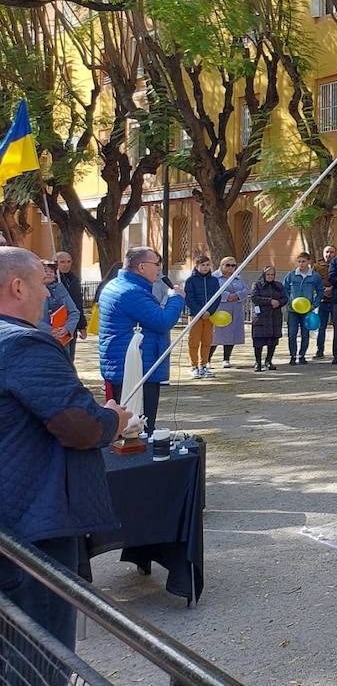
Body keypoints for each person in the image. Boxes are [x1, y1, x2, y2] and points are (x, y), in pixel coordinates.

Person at [0, 247, 129, 650]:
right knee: (40, 650)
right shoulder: (25, 344)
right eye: (42, 284)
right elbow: (80, 426)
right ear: (18, 287)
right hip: (31, 522)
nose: (48, 295)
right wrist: (113, 419)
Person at [97, 247, 185, 433]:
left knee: (130, 426)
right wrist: (176, 299)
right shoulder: (130, 292)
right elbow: (162, 321)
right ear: (142, 267)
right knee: (137, 426)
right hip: (135, 370)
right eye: (156, 264)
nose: (159, 270)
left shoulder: (118, 285)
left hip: (130, 365)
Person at [282, 251, 323, 366]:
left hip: (307, 310)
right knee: (292, 333)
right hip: (293, 310)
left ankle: (302, 355)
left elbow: (320, 291)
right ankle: (293, 355)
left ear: (309, 262)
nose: (301, 264)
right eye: (299, 262)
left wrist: (314, 304)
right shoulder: (291, 275)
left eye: (304, 261)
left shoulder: (314, 276)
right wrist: (289, 302)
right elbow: (284, 289)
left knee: (305, 333)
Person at [183, 254, 220, 379]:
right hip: (195, 315)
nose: (205, 267)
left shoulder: (214, 280)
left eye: (207, 265)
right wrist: (200, 311)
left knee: (207, 341)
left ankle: (204, 365)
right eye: (203, 265)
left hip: (209, 316)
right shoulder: (191, 281)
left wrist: (210, 311)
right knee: (194, 341)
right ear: (197, 266)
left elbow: (217, 297)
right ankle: (194, 366)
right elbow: (189, 298)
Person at [211, 256, 247, 368]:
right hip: (220, 310)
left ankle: (226, 359)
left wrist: (237, 295)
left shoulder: (238, 278)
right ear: (221, 265)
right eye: (228, 265)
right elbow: (213, 290)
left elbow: (246, 290)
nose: (231, 267)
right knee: (216, 336)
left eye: (233, 265)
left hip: (235, 309)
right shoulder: (214, 278)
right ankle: (207, 359)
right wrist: (227, 296)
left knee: (231, 335)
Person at [249, 265, 285, 372]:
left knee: (273, 341)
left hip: (275, 316)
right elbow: (254, 298)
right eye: (268, 274)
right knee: (258, 341)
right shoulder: (257, 285)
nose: (270, 276)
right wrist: (270, 301)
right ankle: (258, 362)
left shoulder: (278, 285)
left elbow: (285, 298)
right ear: (264, 275)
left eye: (272, 274)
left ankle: (268, 361)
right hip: (261, 318)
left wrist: (279, 302)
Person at [54, 251, 87, 363]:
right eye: (62, 262)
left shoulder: (74, 279)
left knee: (70, 357)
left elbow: (78, 303)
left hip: (72, 323)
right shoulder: (53, 281)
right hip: (57, 323)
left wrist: (82, 326)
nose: (66, 264)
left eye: (68, 262)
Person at [42, 258, 80, 355]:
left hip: (62, 341)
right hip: (41, 340)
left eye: (51, 271)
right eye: (45, 271)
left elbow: (74, 312)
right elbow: (29, 316)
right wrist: (50, 331)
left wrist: (67, 328)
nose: (49, 273)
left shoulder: (60, 289)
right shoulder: (32, 292)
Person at [314, 244, 336, 359]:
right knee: (321, 327)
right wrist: (323, 290)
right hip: (322, 300)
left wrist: (332, 289)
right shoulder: (317, 266)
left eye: (331, 252)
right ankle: (319, 350)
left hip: (334, 300)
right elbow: (314, 282)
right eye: (327, 252)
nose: (329, 254)